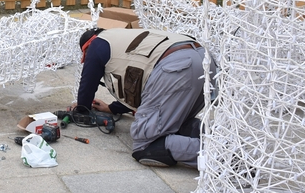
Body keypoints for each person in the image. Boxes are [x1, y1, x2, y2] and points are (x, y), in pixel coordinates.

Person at [76, 27, 212, 168]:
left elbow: (88, 81)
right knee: (176, 121)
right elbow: (139, 92)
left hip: (177, 68)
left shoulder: (97, 43)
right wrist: (112, 108)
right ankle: (223, 142)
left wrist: (81, 108)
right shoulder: (123, 38)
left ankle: (220, 155)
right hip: (205, 61)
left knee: (144, 145)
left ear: (87, 47)